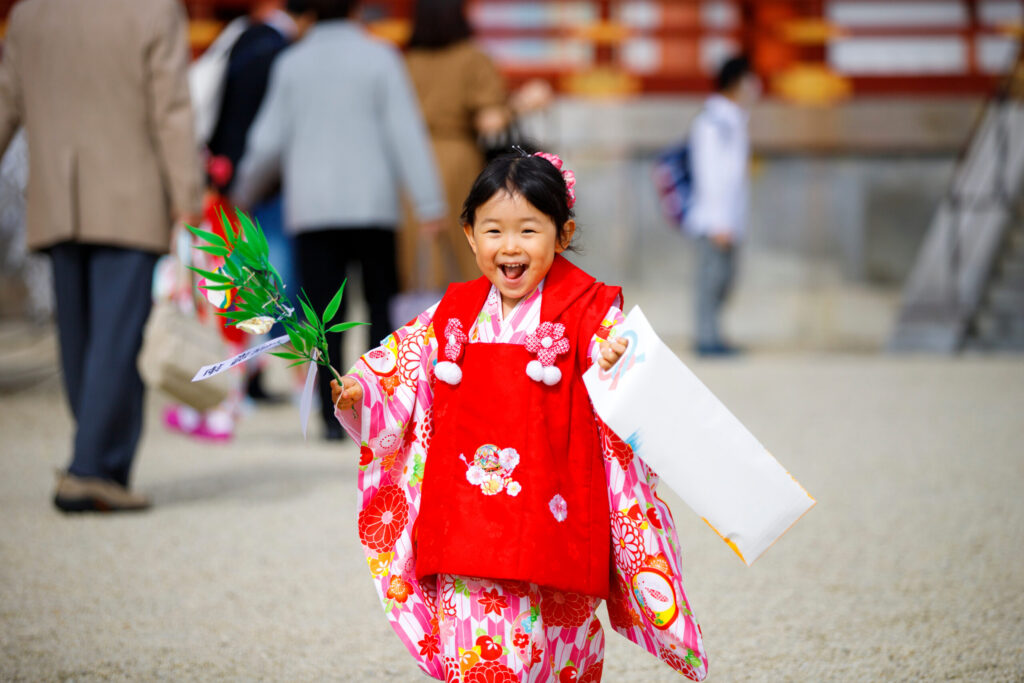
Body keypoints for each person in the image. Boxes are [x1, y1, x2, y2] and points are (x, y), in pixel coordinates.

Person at [329, 151, 709, 681]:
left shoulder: (590, 308)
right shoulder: (454, 311)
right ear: (469, 234)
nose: (510, 247)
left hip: (556, 515)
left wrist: (611, 360)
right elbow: (399, 368)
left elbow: (617, 352)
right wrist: (359, 391)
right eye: (494, 230)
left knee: (559, 654)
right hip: (465, 522)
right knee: (481, 656)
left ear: (562, 233)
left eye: (528, 230)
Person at [0, 0, 202, 511]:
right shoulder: (152, 12)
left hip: (55, 196)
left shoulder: (29, 14)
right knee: (116, 338)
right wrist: (189, 200)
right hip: (130, 198)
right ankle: (88, 468)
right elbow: (171, 111)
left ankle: (105, 466)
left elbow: (5, 100)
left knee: (81, 337)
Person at [232, 0, 445, 440]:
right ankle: (388, 403)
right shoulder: (380, 57)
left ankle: (333, 417)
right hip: (374, 205)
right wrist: (429, 203)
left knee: (322, 317)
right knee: (381, 306)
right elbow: (406, 132)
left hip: (314, 208)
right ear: (355, 10)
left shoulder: (292, 63)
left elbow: (267, 140)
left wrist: (242, 193)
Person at [401, 0, 510, 288]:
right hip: (459, 156)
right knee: (467, 245)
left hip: (411, 160)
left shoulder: (407, 61)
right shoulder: (473, 58)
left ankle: (422, 323)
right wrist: (520, 106)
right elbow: (491, 121)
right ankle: (468, 319)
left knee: (417, 249)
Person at [687, 55, 759, 356]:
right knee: (711, 278)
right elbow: (709, 174)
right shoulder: (712, 121)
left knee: (725, 278)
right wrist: (718, 221)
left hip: (729, 218)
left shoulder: (734, 119)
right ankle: (706, 338)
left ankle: (715, 333)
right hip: (713, 220)